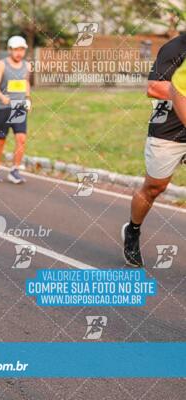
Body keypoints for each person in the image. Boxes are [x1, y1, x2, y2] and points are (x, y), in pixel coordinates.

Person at [122, 33, 186, 268]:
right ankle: (133, 230)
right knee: (154, 187)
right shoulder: (175, 48)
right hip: (169, 131)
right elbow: (153, 87)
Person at [0, 35, 32, 184]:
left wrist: (27, 98)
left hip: (18, 107)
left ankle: (15, 170)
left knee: (21, 139)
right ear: (10, 50)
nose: (19, 53)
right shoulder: (2, 64)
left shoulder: (27, 66)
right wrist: (2, 97)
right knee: (1, 140)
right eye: (16, 50)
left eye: (22, 49)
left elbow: (26, 83)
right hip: (3, 107)